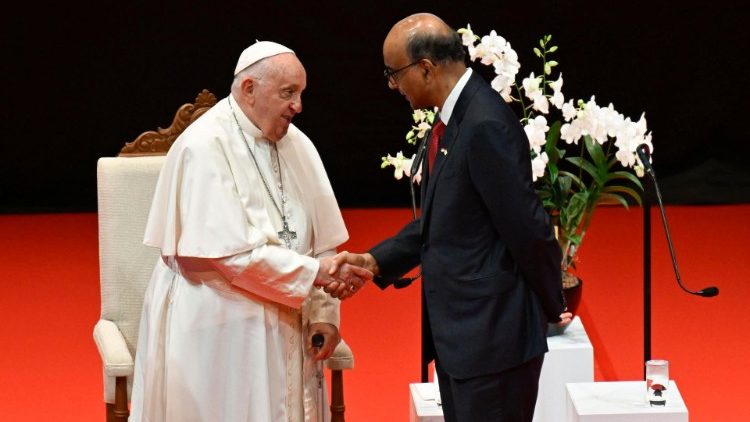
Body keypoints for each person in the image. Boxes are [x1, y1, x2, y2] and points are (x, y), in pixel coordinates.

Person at [330, 13, 572, 422]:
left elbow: (528, 229)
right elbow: (446, 219)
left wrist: (553, 304)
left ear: (425, 68)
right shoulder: (455, 117)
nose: (393, 86)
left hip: (493, 343)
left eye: (394, 74)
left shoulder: (484, 124)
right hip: (466, 343)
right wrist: (374, 261)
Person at [129, 41, 370, 422]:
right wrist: (316, 275)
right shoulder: (203, 146)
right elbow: (229, 257)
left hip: (287, 316)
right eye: (288, 93)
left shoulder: (298, 145)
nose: (298, 106)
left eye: (301, 93)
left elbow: (323, 242)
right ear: (248, 89)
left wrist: (325, 312)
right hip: (220, 322)